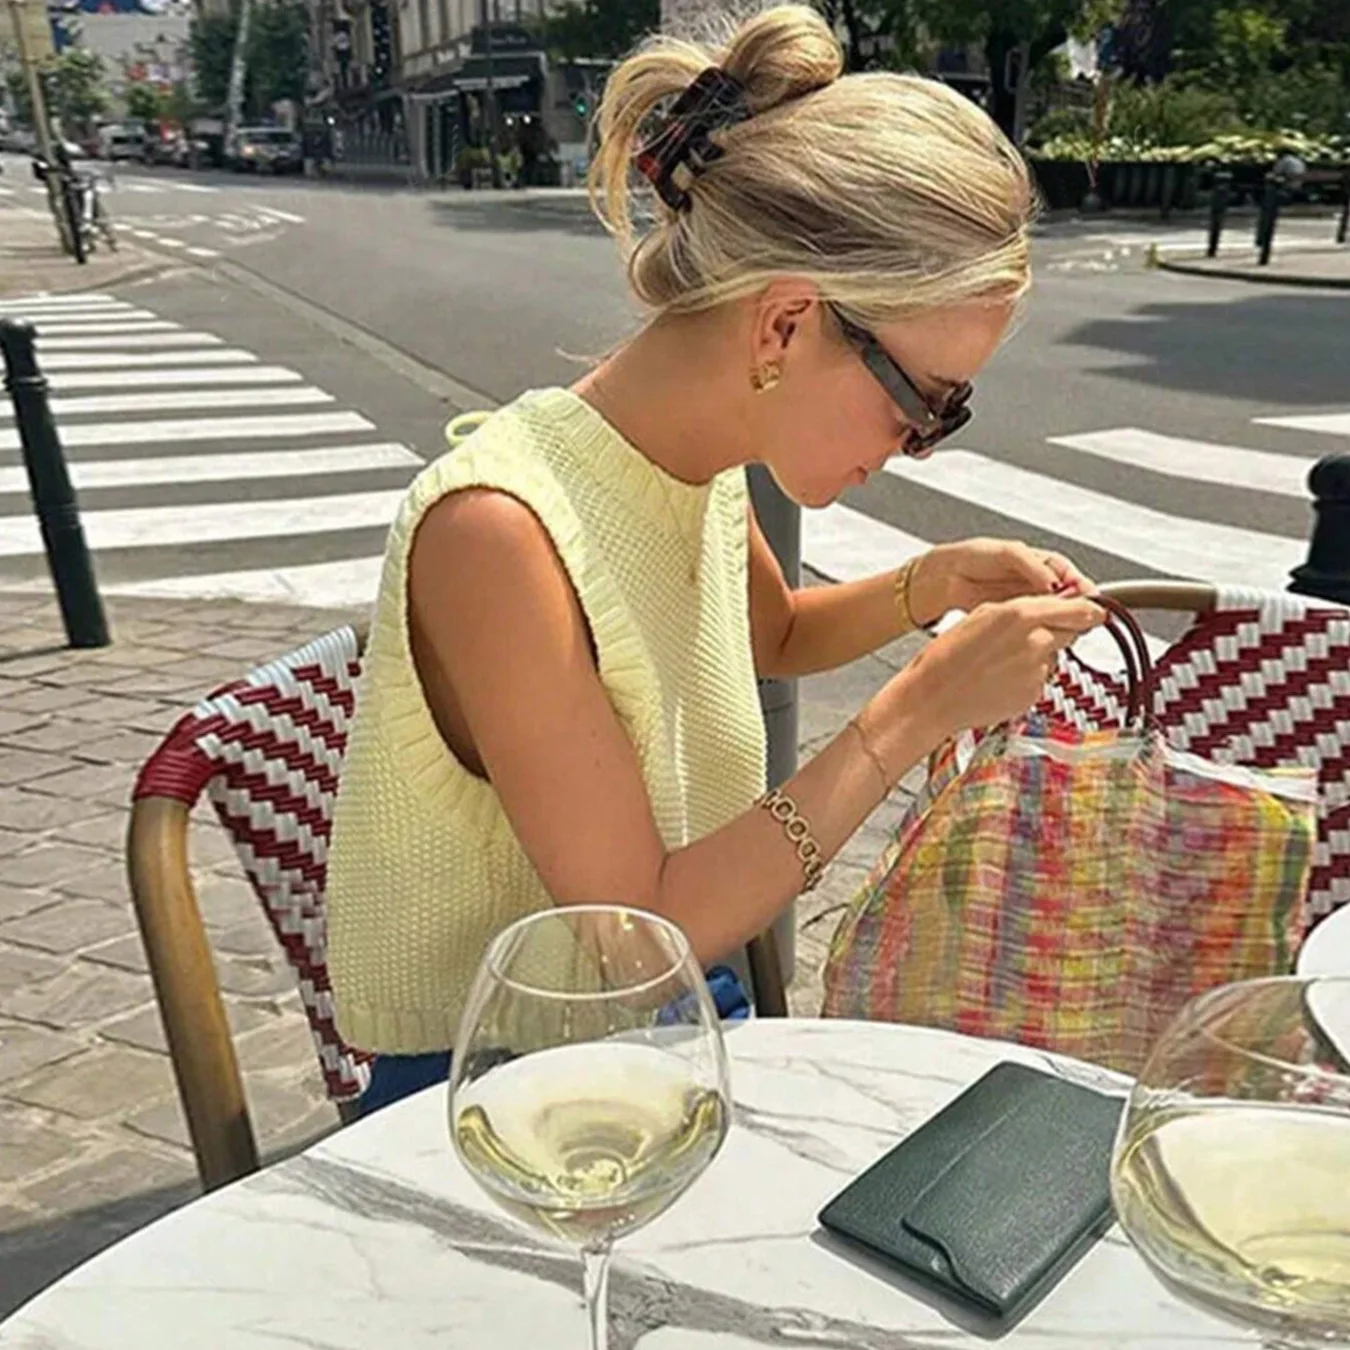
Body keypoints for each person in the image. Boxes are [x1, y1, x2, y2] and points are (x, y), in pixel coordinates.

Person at [326, 3, 1104, 1112]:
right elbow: (638, 931)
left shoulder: (686, 461)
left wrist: (929, 584)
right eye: (923, 403)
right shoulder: (498, 531)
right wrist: (919, 709)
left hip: (675, 1026)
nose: (916, 445)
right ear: (784, 324)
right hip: (494, 1086)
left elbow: (772, 633)